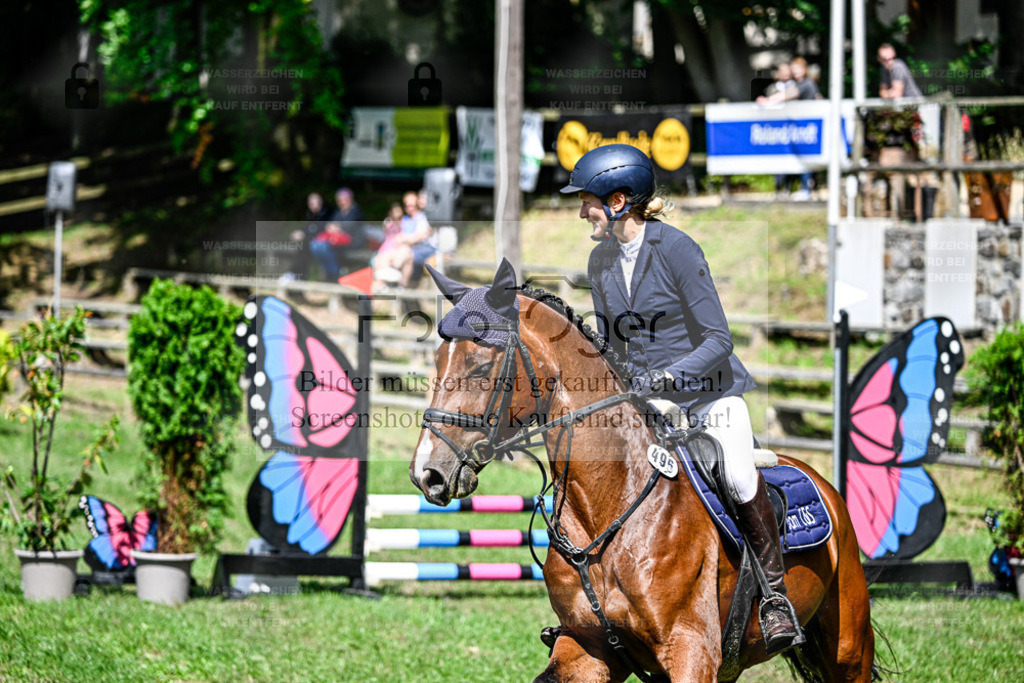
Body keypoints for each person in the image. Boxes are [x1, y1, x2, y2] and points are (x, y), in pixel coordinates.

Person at [558, 144, 801, 654]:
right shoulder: (600, 261)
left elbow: (719, 341)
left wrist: (665, 382)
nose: (582, 211)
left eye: (588, 201)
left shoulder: (678, 250)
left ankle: (775, 597)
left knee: (736, 473)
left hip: (711, 394)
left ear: (619, 200)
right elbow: (612, 347)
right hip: (648, 407)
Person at [309, 187, 366, 281]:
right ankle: (333, 271)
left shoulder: (356, 211)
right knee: (315, 245)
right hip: (338, 241)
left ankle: (334, 273)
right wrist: (331, 227)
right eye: (339, 200)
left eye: (344, 199)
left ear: (350, 199)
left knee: (323, 247)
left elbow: (349, 228)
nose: (342, 202)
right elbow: (330, 225)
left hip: (352, 242)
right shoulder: (338, 212)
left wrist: (337, 228)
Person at [387, 191, 435, 288]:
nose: (410, 208)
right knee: (396, 253)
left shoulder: (426, 216)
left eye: (412, 205)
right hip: (409, 247)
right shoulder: (406, 219)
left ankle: (397, 281)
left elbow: (420, 236)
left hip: (424, 248)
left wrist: (404, 239)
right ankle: (396, 282)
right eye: (407, 205)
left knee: (407, 255)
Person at [281, 192, 330, 282]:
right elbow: (308, 230)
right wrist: (300, 233)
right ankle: (297, 275)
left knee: (305, 247)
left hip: (323, 246)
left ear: (321, 203)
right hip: (310, 244)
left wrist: (304, 235)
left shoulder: (326, 215)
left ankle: (294, 273)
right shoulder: (310, 215)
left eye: (317, 203)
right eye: (311, 203)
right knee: (303, 247)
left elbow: (322, 233)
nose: (314, 206)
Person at [371, 202, 406, 291]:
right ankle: (381, 283)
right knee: (380, 261)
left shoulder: (405, 222)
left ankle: (383, 283)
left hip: (397, 247)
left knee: (385, 260)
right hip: (388, 246)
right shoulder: (389, 221)